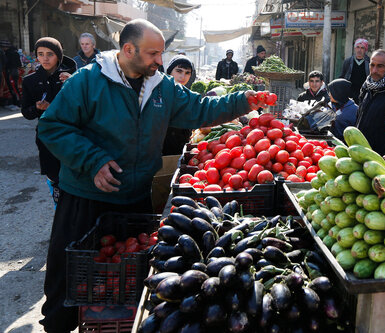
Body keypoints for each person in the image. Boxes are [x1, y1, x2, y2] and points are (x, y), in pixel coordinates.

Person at [36, 19, 265, 333]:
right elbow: (52, 126)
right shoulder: (87, 81)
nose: (161, 61)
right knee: (71, 282)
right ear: (128, 50)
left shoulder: (163, 87)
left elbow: (199, 109)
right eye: (153, 53)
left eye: (162, 53)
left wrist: (241, 102)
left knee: (132, 285)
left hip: (136, 199)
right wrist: (92, 161)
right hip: (85, 199)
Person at [21, 37, 76, 207]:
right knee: (54, 178)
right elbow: (27, 113)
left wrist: (74, 82)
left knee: (74, 177)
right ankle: (60, 211)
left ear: (58, 56)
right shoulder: (29, 81)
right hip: (46, 138)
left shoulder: (71, 77)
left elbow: (81, 108)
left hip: (71, 135)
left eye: (50, 54)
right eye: (40, 54)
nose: (45, 58)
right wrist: (37, 109)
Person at [162, 55, 197, 155]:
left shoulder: (187, 96)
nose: (183, 76)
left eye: (187, 73)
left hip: (179, 152)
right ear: (169, 72)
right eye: (179, 71)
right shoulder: (160, 93)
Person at [340, 38, 370, 103]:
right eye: (357, 47)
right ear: (355, 48)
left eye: (362, 48)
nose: (359, 50)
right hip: (349, 94)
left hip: (364, 94)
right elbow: (342, 77)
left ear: (365, 50)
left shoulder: (369, 62)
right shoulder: (347, 62)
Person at [1, 40, 22, 108]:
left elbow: (5, 63)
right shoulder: (16, 52)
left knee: (12, 87)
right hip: (16, 71)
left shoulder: (7, 53)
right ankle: (19, 102)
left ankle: (16, 102)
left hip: (10, 72)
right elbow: (19, 63)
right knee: (16, 87)